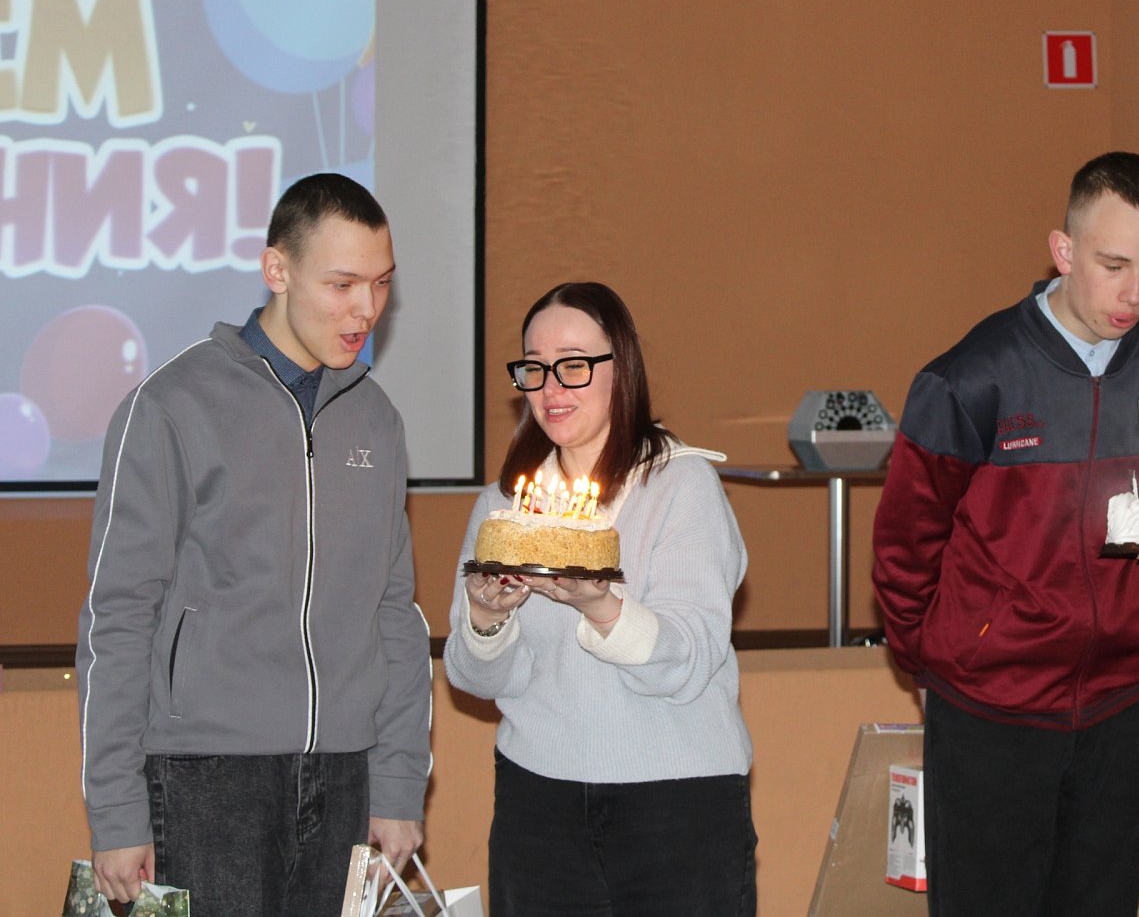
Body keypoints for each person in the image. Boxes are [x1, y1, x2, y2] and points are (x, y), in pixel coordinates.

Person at [75, 173, 433, 913]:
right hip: (206, 778)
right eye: (342, 284)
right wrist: (116, 810)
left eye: (381, 284)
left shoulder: (377, 420)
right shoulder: (170, 405)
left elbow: (394, 612)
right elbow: (119, 616)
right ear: (277, 270)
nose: (366, 309)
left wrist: (399, 783)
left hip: (348, 775)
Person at [871, 151, 1139, 915]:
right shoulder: (971, 376)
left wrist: (1129, 625)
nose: (1135, 294)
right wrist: (939, 662)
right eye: (1114, 265)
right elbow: (904, 546)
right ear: (1063, 250)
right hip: (991, 708)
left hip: (1122, 708)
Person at [444, 281, 756, 916]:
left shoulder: (681, 485)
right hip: (539, 805)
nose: (551, 388)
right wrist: (485, 618)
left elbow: (687, 663)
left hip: (676, 804)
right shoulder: (505, 507)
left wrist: (600, 604)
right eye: (535, 368)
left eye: (574, 365)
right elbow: (476, 679)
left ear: (623, 367)